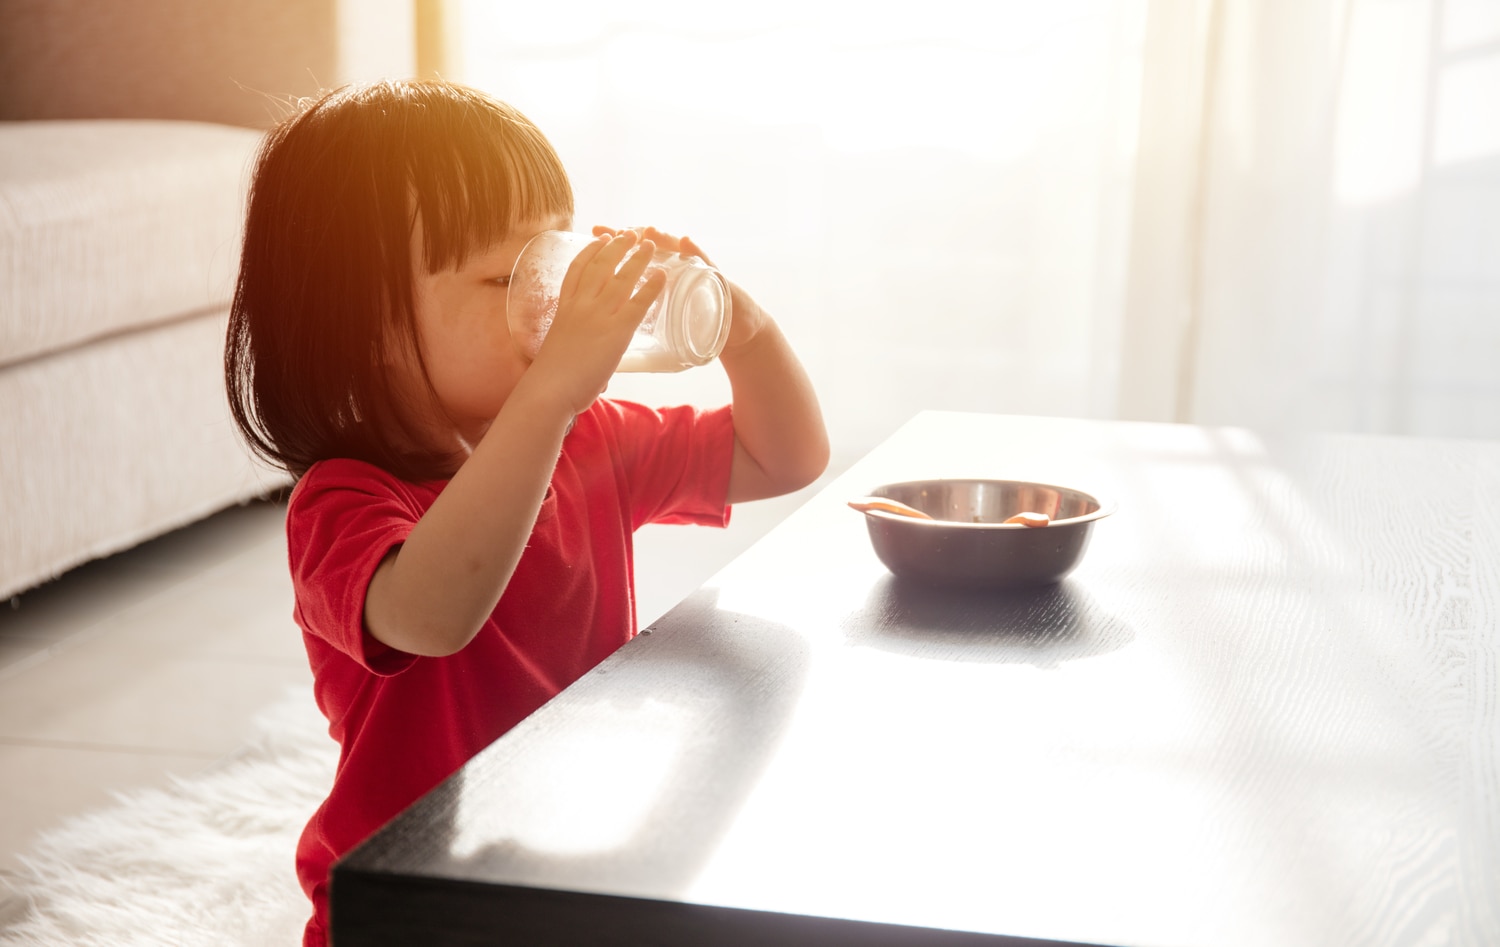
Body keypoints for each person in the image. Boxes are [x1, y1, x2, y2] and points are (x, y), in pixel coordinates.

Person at [223, 78, 828, 946]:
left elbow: (786, 455)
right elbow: (434, 615)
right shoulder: (344, 501)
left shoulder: (593, 438)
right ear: (364, 324)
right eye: (508, 275)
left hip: (570, 851)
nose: (548, 296)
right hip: (414, 897)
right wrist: (550, 395)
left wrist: (745, 324)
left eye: (551, 257)